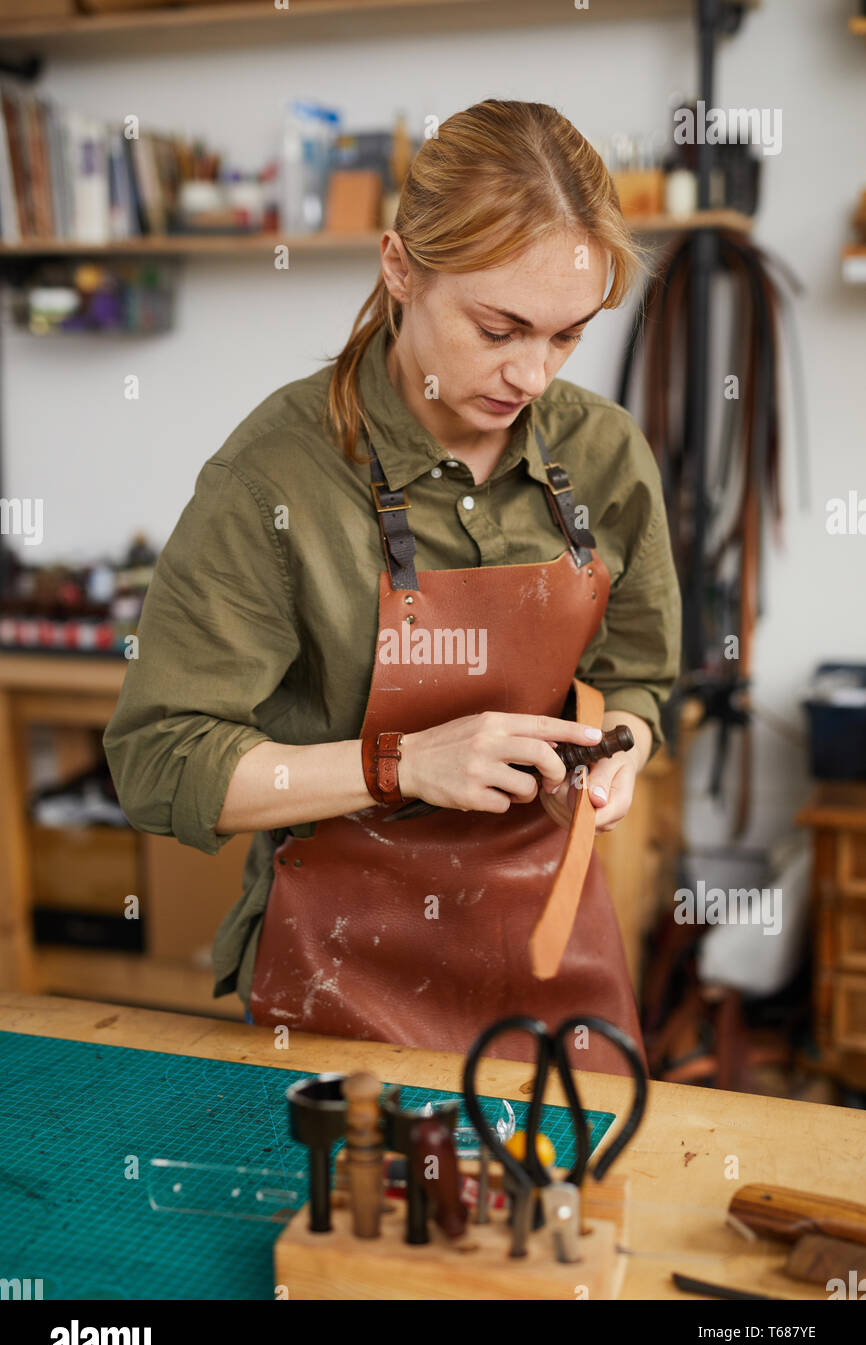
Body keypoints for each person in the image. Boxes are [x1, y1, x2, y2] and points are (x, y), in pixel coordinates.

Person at [103, 99, 681, 1076]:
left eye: (566, 338)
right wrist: (397, 765)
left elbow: (636, 677)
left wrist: (624, 741)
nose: (531, 374)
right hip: (339, 970)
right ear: (399, 266)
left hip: (549, 949)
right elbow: (158, 761)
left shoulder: (604, 455)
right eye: (497, 328)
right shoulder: (275, 476)